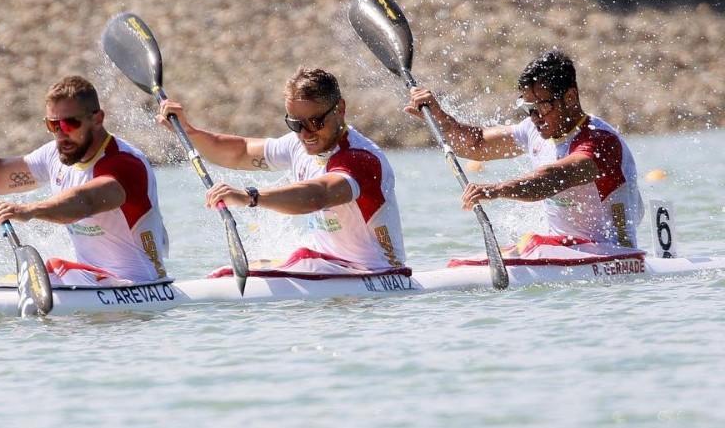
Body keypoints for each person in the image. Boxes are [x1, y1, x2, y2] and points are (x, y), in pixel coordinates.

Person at [158, 67, 407, 275]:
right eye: (295, 124)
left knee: (289, 260)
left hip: (376, 272)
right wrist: (189, 132)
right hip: (329, 266)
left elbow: (318, 195)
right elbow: (241, 151)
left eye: (315, 122)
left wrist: (249, 197)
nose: (305, 134)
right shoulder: (298, 144)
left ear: (340, 108)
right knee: (224, 273)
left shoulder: (360, 159)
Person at [0, 75, 168, 286]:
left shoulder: (124, 163)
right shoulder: (53, 155)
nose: (60, 134)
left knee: (50, 269)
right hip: (92, 282)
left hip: (139, 283)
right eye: (53, 125)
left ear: (97, 119)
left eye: (69, 124)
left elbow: (85, 201)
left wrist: (29, 210)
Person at [404, 50, 643, 251]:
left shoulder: (600, 140)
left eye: (542, 106)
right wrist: (438, 117)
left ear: (570, 97)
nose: (535, 117)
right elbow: (476, 144)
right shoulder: (532, 130)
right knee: (514, 248)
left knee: (530, 244)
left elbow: (552, 178)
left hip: (613, 252)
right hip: (564, 250)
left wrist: (496, 189)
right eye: (529, 108)